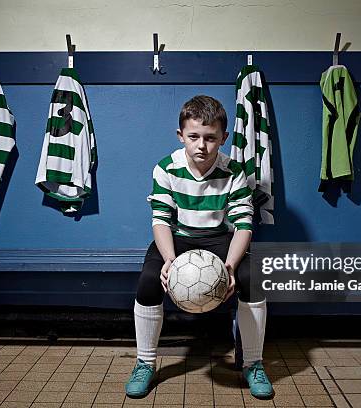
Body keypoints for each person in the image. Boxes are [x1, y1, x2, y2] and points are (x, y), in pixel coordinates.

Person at [124, 95, 273, 399]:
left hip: (220, 240)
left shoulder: (235, 172)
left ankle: (253, 363)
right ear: (181, 136)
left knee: (252, 280)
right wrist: (169, 261)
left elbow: (244, 225)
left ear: (223, 138)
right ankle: (145, 362)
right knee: (149, 282)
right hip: (177, 238)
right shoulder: (166, 168)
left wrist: (229, 268)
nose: (201, 145)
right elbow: (161, 220)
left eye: (210, 138)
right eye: (193, 137)